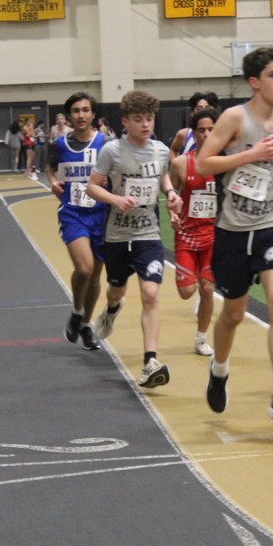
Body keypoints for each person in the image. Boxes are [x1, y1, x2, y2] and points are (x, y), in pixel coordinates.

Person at [196, 46, 273, 428]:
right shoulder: (234, 118)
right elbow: (203, 164)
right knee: (233, 315)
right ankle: (219, 369)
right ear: (255, 82)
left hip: (271, 224)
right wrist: (251, 153)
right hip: (232, 230)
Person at [85, 90, 182, 388]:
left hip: (147, 234)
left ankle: (150, 361)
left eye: (149, 119)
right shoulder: (111, 151)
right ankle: (112, 309)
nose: (145, 124)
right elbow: (91, 187)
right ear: (125, 122)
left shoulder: (161, 151)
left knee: (151, 294)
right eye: (138, 119)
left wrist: (171, 193)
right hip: (117, 235)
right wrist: (115, 198)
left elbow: (162, 175)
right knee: (116, 290)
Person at [49, 92, 109, 352]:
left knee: (95, 276)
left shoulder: (105, 144)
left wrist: (110, 181)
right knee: (84, 269)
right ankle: (76, 310)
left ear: (93, 114)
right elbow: (50, 167)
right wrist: (53, 181)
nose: (81, 115)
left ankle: (85, 325)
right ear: (69, 116)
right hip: (72, 212)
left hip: (100, 214)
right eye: (76, 111)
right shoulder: (60, 144)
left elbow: (116, 172)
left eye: (86, 110)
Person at [169, 108, 219, 357]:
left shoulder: (224, 163)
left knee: (207, 289)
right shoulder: (180, 163)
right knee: (187, 292)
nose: (206, 134)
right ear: (194, 133)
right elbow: (171, 196)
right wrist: (173, 214)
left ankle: (201, 338)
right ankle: (196, 276)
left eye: (211, 130)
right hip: (187, 236)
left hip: (213, 236)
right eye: (201, 130)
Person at [170, 91, 219, 159]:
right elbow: (173, 149)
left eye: (208, 108)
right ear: (192, 113)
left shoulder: (224, 136)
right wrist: (175, 163)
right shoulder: (184, 134)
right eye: (199, 109)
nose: (204, 112)